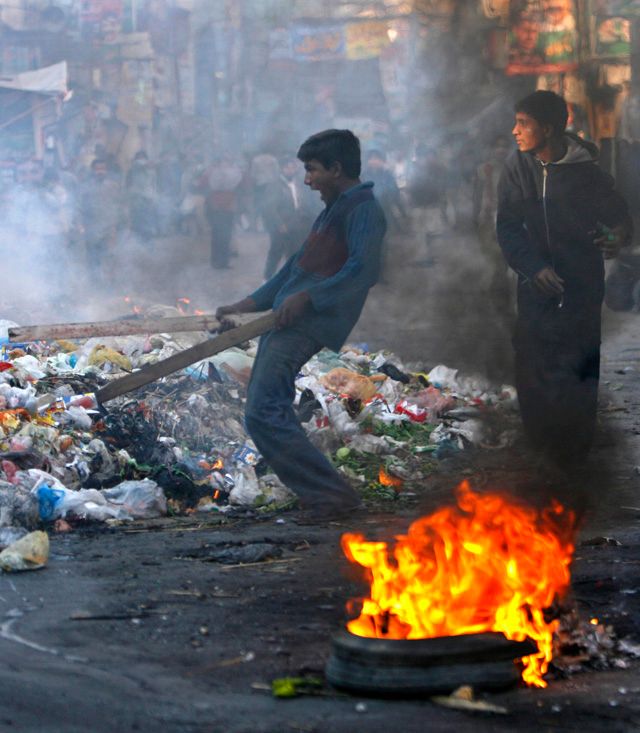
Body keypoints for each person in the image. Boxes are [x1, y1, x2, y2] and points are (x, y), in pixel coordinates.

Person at [216, 129, 386, 520]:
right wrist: (245, 304)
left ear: (336, 168)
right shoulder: (334, 208)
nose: (307, 180)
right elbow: (296, 268)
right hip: (291, 317)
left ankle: (330, 495)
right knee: (264, 408)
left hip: (311, 322)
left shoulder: (363, 209)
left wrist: (309, 297)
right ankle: (325, 492)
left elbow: (363, 270)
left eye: (312, 171)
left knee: (263, 411)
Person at [496, 90, 631, 464]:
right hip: (535, 285)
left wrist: (616, 234)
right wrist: (533, 267)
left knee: (580, 366)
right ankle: (540, 450)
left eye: (523, 124)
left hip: (581, 287)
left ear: (549, 128)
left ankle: (576, 457)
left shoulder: (588, 171)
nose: (515, 131)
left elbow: (618, 215)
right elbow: (507, 226)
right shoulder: (518, 168)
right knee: (533, 364)